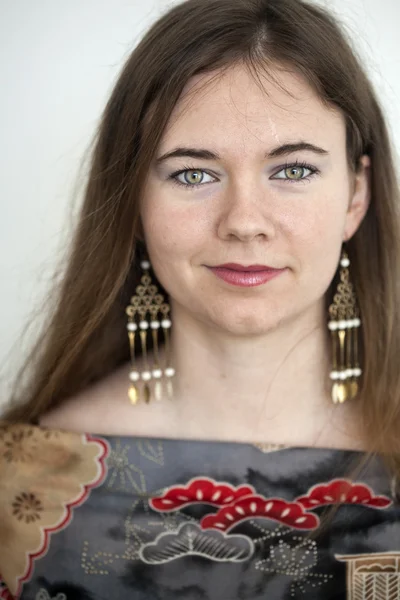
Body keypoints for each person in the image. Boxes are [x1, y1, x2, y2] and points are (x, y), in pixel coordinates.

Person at [1, 0, 399, 597]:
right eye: (193, 174)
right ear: (133, 201)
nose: (244, 222)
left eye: (291, 170)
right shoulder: (20, 486)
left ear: (356, 195)